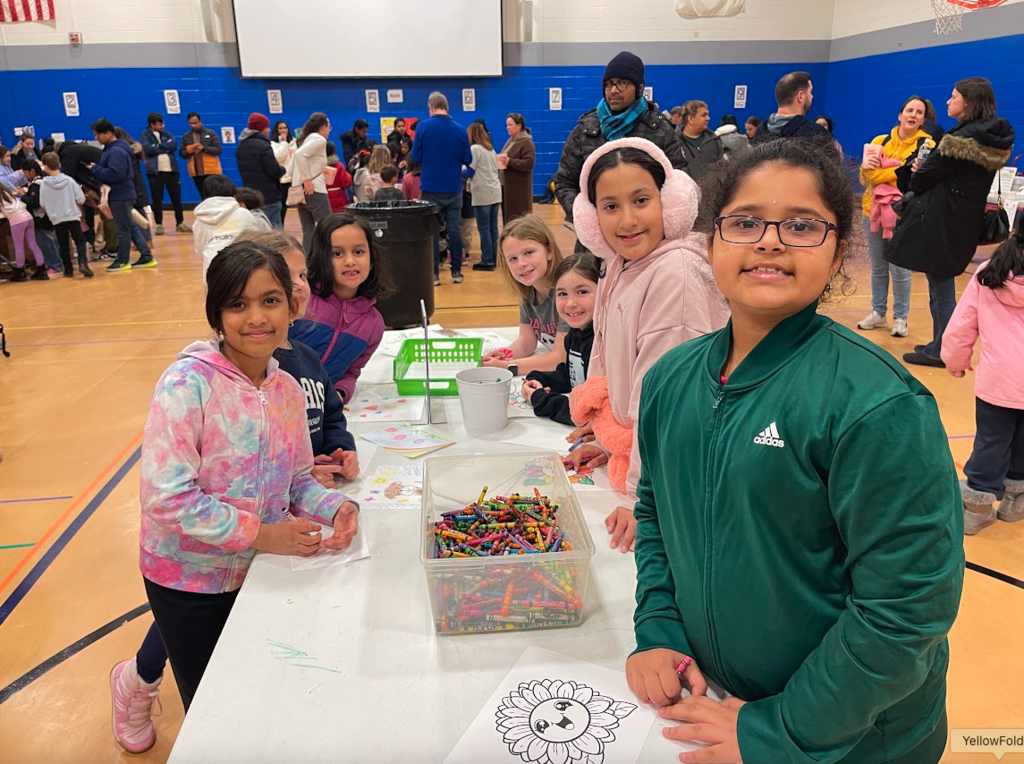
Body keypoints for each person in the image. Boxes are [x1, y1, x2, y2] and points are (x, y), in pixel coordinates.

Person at [625, 138, 962, 764]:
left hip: (853, 740)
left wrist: (777, 731)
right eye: (746, 222)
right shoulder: (672, 380)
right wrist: (659, 630)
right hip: (719, 702)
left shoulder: (875, 405)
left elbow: (904, 614)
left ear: (838, 255)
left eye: (803, 226)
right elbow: (655, 514)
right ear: (710, 242)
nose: (770, 241)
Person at [109, 230, 360, 753]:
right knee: (213, 704)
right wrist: (262, 535)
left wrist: (336, 507)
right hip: (187, 580)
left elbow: (295, 480)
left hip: (255, 571)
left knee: (259, 691)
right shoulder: (187, 385)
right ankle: (132, 682)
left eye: (270, 301)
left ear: (290, 305)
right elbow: (167, 498)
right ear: (216, 314)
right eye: (237, 304)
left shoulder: (286, 389)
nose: (256, 318)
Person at [566, 138, 730, 553]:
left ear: (670, 201)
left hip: (679, 480)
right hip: (646, 457)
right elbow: (611, 362)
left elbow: (668, 402)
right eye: (610, 206)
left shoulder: (675, 273)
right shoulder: (620, 264)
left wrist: (644, 501)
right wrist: (609, 441)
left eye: (641, 199)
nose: (627, 220)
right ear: (590, 219)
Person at [886, 77, 1015, 368]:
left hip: (942, 223)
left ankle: (943, 349)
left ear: (967, 102)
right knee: (940, 285)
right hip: (963, 222)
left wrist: (920, 168)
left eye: (953, 96)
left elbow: (920, 179)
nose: (947, 101)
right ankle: (939, 343)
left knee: (941, 289)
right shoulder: (990, 137)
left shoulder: (959, 141)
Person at [942, 218, 1024, 535]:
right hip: (1003, 384)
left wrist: (954, 359)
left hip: (997, 382)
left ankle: (976, 506)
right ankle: (1016, 500)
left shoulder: (990, 271)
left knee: (991, 441)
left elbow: (963, 323)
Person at [554, 51, 687, 238]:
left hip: (648, 237)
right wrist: (588, 217)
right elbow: (564, 182)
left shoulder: (660, 130)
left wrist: (656, 219)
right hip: (598, 241)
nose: (614, 90)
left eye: (622, 83)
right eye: (609, 84)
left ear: (639, 88)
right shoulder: (585, 130)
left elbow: (679, 180)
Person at [288, 212, 394, 402]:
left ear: (371, 260)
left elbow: (351, 372)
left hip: (320, 411)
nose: (350, 261)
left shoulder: (373, 324)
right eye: (337, 254)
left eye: (359, 252)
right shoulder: (301, 300)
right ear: (321, 259)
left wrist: (340, 392)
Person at [856, 95, 935, 339]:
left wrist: (883, 172)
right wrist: (878, 171)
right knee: (878, 267)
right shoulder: (880, 141)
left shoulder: (927, 146)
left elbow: (911, 180)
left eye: (919, 112)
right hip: (873, 212)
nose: (913, 115)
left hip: (904, 215)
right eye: (909, 110)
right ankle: (878, 312)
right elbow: (864, 178)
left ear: (923, 119)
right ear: (900, 115)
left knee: (900, 269)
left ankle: (900, 318)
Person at [481, 214, 570, 375]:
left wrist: (507, 367)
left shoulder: (566, 292)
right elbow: (527, 341)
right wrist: (503, 355)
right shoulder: (527, 292)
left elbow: (560, 358)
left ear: (549, 251)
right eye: (513, 258)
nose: (521, 264)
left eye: (528, 253)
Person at [523, 253, 599, 425]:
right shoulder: (575, 333)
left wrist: (540, 399)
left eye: (582, 292)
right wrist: (539, 379)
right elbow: (574, 376)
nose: (570, 303)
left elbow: (588, 414)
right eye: (562, 294)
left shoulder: (601, 343)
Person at [410, 92, 473, 286]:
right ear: (447, 107)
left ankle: (434, 274)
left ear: (430, 107)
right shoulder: (460, 129)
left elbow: (416, 157)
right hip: (454, 188)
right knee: (454, 230)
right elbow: (468, 159)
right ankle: (456, 272)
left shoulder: (423, 127)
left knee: (432, 232)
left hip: (431, 187)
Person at [89, 118, 155, 272]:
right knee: (130, 226)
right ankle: (146, 256)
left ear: (108, 133)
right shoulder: (114, 148)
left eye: (98, 134)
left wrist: (95, 169)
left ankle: (123, 260)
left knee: (123, 230)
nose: (95, 138)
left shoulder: (116, 151)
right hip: (122, 194)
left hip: (121, 195)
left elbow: (115, 174)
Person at [191, 174, 259, 281]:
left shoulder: (199, 221)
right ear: (234, 195)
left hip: (212, 269)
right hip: (244, 268)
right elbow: (257, 243)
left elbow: (201, 250)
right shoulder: (244, 214)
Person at [38, 152, 93, 278]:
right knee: (80, 240)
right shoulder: (69, 180)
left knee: (63, 244)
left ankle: (68, 270)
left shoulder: (44, 185)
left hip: (57, 218)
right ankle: (83, 263)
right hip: (72, 215)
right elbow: (80, 199)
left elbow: (42, 203)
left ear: (45, 167)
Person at [140, 112, 188, 234]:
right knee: (157, 199)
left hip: (171, 171)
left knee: (176, 198)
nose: (162, 126)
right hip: (155, 173)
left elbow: (173, 145)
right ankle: (159, 224)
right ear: (152, 124)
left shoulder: (167, 134)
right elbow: (147, 149)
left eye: (162, 123)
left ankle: (180, 222)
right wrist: (163, 147)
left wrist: (157, 146)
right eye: (159, 124)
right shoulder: (145, 135)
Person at [236, 112, 286, 228]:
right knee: (275, 231)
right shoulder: (264, 146)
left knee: (257, 229)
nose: (268, 130)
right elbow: (274, 170)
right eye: (267, 127)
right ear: (261, 129)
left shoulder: (240, 147)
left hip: (251, 197)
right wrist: (283, 170)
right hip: (269, 196)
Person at [292, 112, 333, 254]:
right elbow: (299, 155)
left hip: (300, 191)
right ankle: (327, 261)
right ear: (323, 126)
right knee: (329, 227)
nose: (329, 130)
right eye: (329, 127)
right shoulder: (319, 140)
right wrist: (307, 179)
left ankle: (308, 263)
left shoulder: (305, 139)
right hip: (314, 190)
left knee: (308, 231)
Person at [752, 72, 832, 144]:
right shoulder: (816, 135)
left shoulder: (758, 134)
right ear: (800, 96)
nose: (812, 96)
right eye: (810, 92)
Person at [467, 122, 501, 271]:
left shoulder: (474, 149)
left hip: (482, 193)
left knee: (484, 228)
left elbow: (469, 172)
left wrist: (459, 168)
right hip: (495, 191)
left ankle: (487, 260)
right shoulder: (491, 149)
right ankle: (495, 257)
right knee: (493, 227)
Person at [21, 167, 65, 276]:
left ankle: (54, 266)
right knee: (51, 241)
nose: (25, 175)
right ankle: (56, 264)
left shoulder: (36, 185)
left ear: (32, 171)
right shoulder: (45, 182)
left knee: (47, 242)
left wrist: (23, 196)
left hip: (41, 217)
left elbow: (34, 202)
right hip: (49, 215)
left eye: (25, 172)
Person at [0, 183, 48, 281]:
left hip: (16, 219)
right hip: (27, 216)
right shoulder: (6, 192)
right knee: (33, 244)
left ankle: (20, 272)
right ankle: (41, 270)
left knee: (19, 246)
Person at [496, 112, 536, 225]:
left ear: (519, 126)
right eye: (507, 125)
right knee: (508, 215)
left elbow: (529, 163)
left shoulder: (526, 142)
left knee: (518, 217)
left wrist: (510, 162)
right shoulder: (511, 140)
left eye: (510, 125)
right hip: (508, 185)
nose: (507, 127)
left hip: (519, 188)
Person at [179, 112, 223, 199]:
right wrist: (189, 151)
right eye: (191, 123)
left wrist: (204, 148)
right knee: (203, 196)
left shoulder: (210, 133)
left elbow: (218, 150)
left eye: (195, 123)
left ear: (200, 122)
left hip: (211, 170)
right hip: (196, 172)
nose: (193, 125)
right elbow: (182, 153)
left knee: (214, 195)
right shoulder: (186, 136)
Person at [679, 100, 724, 180]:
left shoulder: (714, 141)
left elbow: (722, 169)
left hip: (711, 190)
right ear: (691, 119)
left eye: (707, 115)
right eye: (704, 115)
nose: (708, 118)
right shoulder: (675, 143)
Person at [272, 121, 295, 226]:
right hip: (281, 179)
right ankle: (281, 227)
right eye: (280, 128)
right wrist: (284, 142)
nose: (283, 130)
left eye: (285, 128)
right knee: (281, 206)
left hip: (293, 179)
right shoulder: (272, 144)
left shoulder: (294, 142)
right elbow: (279, 158)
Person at [325, 140, 353, 212]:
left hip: (323, 197)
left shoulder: (318, 167)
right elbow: (346, 183)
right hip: (339, 198)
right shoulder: (339, 166)